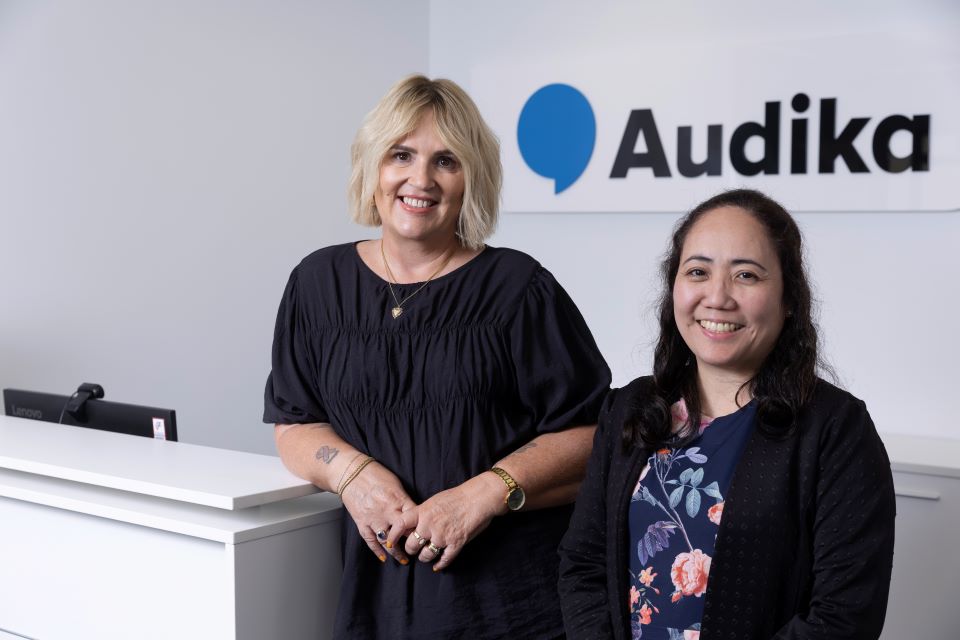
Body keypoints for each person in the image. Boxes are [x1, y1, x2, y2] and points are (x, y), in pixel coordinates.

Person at [263, 74, 611, 639]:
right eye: (401, 155)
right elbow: (294, 422)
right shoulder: (316, 283)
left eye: (446, 161)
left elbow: (594, 434)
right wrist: (355, 476)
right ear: (373, 167)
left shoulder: (518, 288)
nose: (419, 179)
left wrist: (484, 492)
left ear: (471, 178)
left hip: (508, 607)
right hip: (374, 599)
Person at [558, 189, 895, 639]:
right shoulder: (630, 408)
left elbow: (844, 616)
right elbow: (583, 565)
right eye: (698, 271)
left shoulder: (835, 430)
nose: (717, 297)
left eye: (747, 276)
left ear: (789, 298)